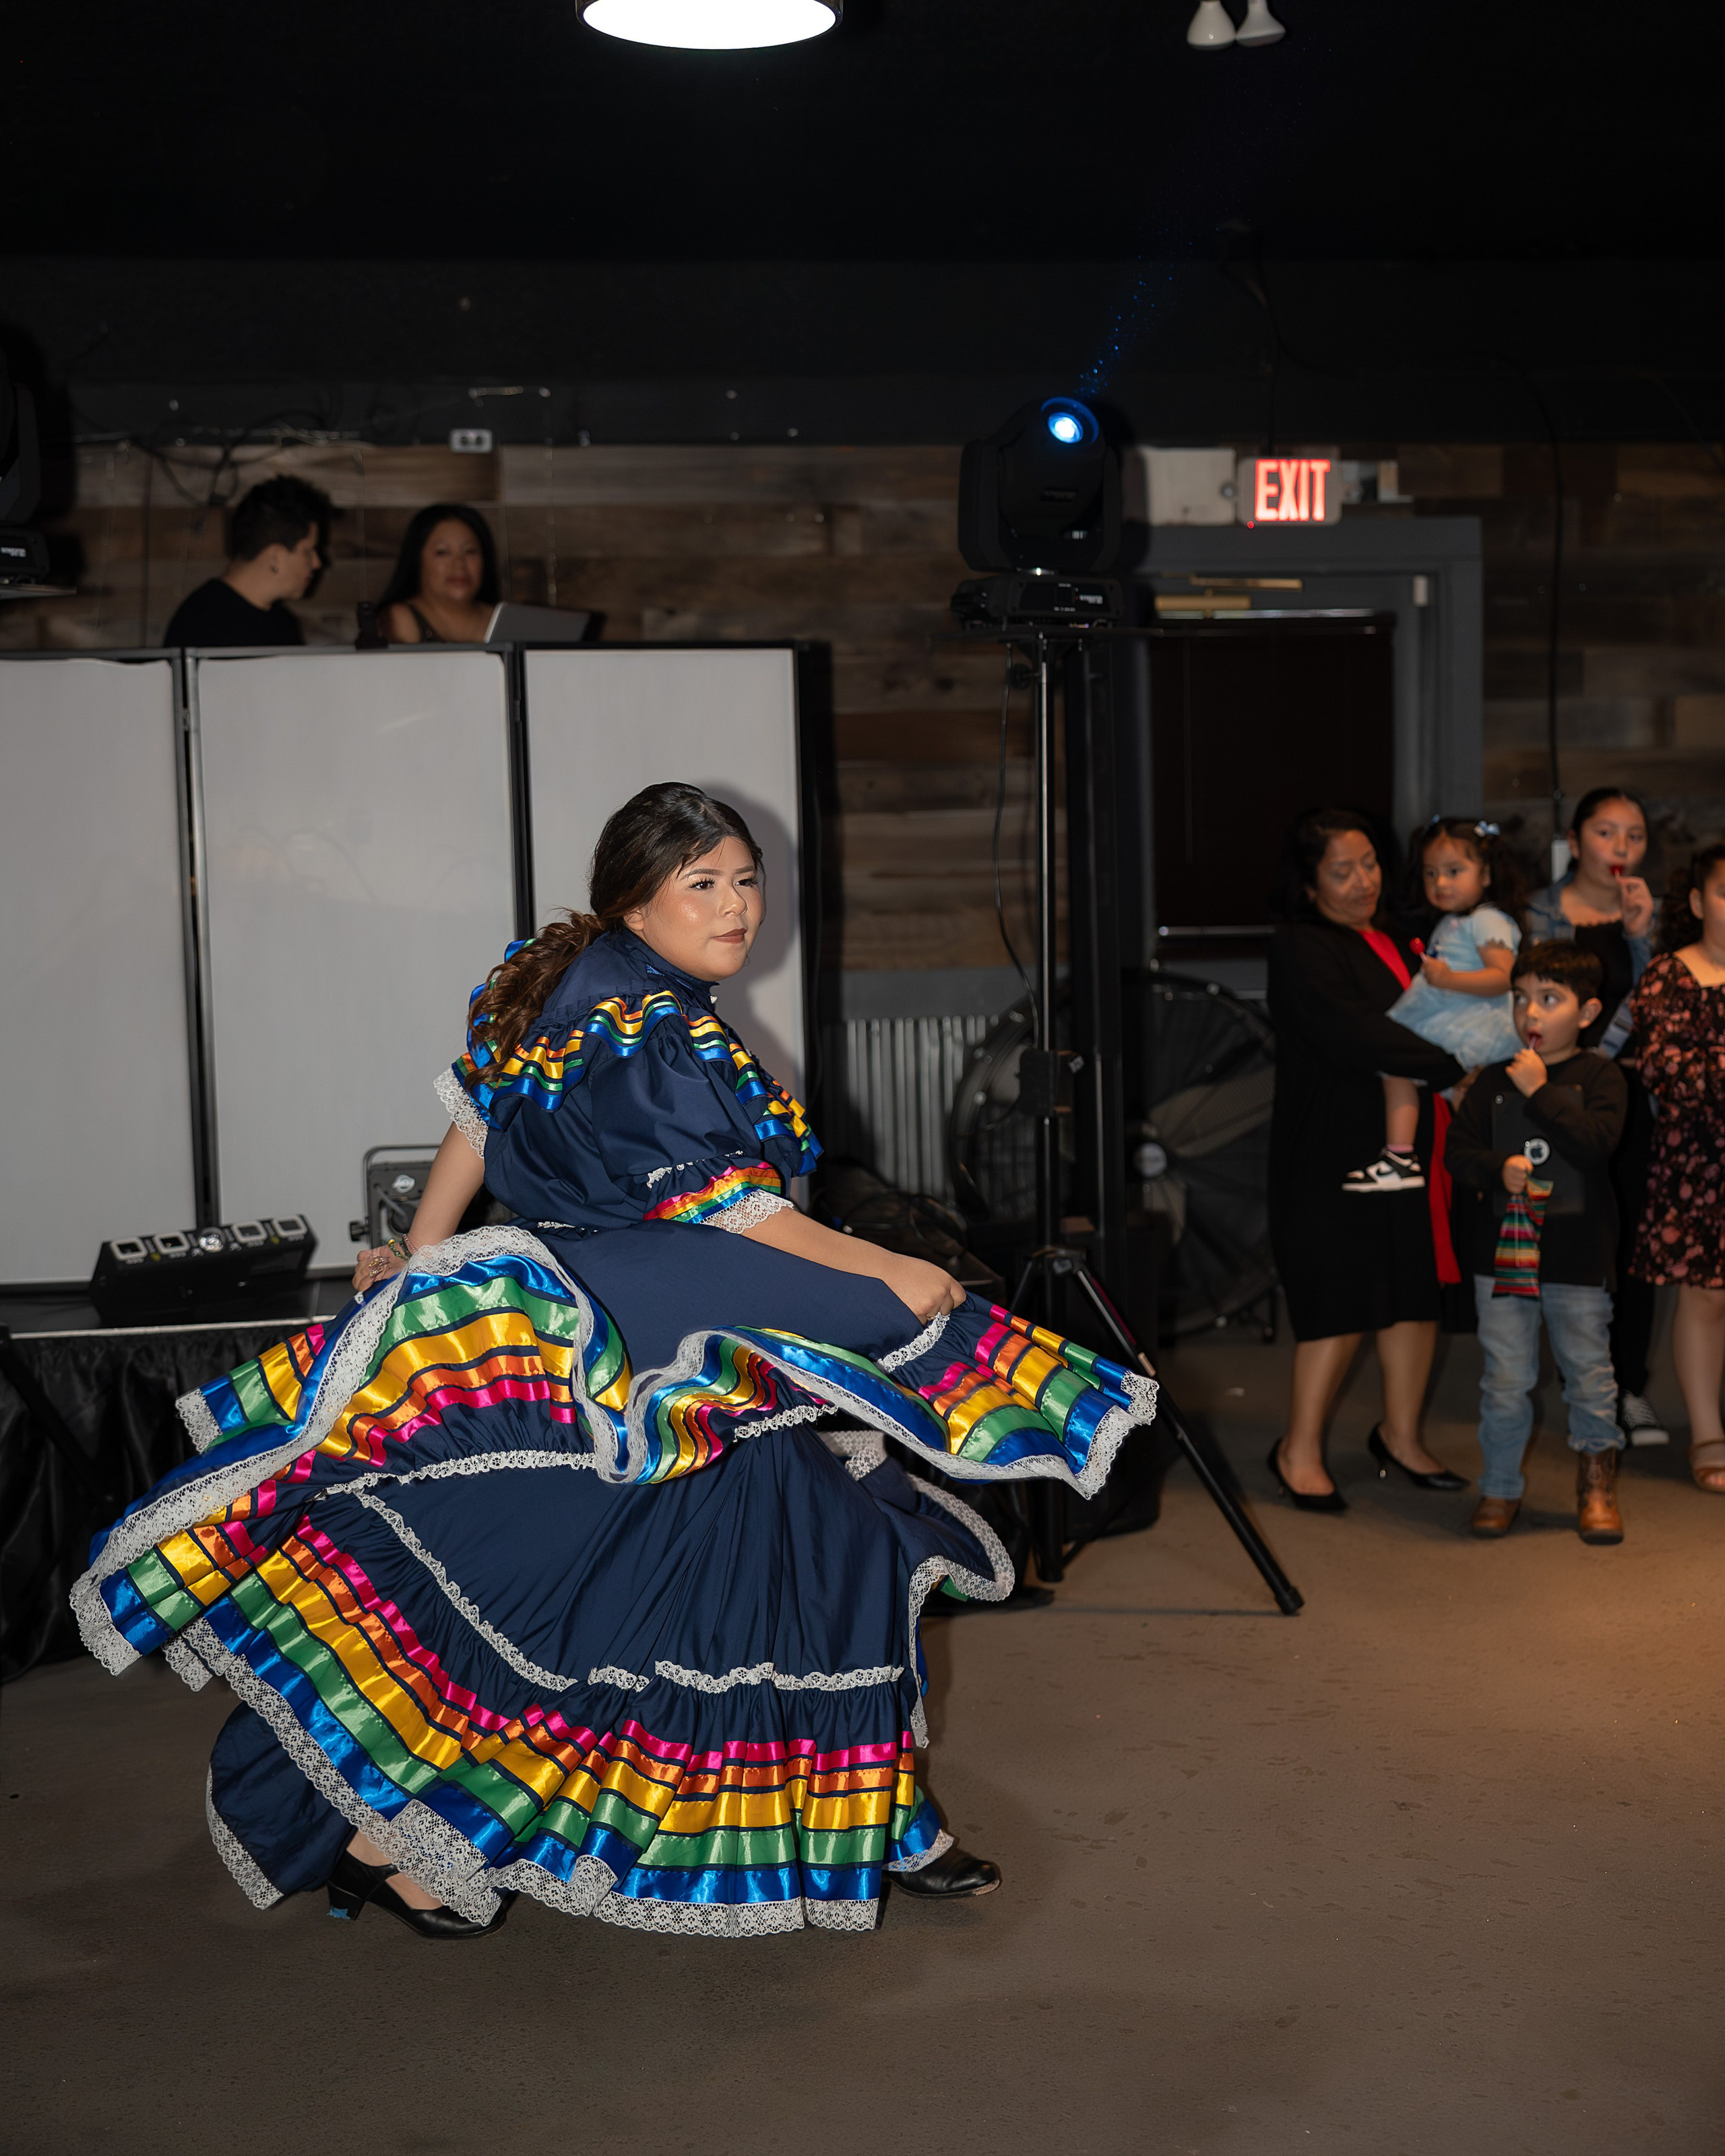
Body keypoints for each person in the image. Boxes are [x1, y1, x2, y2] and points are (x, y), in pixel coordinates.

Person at [71, 783, 1156, 1941]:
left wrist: (422, 1248)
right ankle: (405, 1845)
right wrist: (877, 1264)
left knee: (795, 1557)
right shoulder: (644, 1015)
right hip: (648, 1331)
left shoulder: (582, 981)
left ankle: (875, 1825)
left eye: (746, 880)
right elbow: (728, 1207)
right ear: (635, 904)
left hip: (639, 1325)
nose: (737, 905)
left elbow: (479, 1115)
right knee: (641, 1592)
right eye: (705, 884)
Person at [1265, 807, 1470, 1510]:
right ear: (1308, 881)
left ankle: (1402, 1435)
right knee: (1341, 1300)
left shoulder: (1403, 931)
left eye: (1370, 864)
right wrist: (1456, 1064)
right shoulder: (1300, 946)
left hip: (1410, 1146)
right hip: (1334, 1148)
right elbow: (1358, 1035)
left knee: (1414, 1293)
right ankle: (1297, 1450)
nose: (1362, 882)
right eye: (1341, 870)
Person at [1444, 943, 1629, 1542]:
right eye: (1521, 998)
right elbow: (1457, 1154)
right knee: (1505, 1378)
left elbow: (1594, 1143)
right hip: (1502, 1260)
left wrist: (1542, 1092)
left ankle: (1597, 1487)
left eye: (1550, 999)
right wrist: (1497, 1168)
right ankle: (1499, 1488)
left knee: (1590, 1376)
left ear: (1587, 1011)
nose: (1532, 1012)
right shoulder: (1493, 1080)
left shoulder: (1602, 1077)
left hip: (1577, 1260)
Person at [1524, 787, 1663, 1444]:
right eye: (1606, 832)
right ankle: (1571, 1380)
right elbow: (1520, 1002)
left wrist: (1641, 937)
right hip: (1557, 1096)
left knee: (1632, 1239)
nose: (1621, 847)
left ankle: (1627, 1384)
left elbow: (1660, 1010)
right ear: (1575, 841)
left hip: (1634, 1100)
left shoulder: (1653, 917)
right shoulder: (1537, 913)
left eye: (1633, 835)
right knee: (1563, 1239)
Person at [1344, 817, 1526, 1194]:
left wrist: (1448, 980)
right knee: (1440, 1088)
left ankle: (1402, 1155)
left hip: (1473, 1021)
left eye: (1454, 871)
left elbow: (1503, 977)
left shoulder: (1489, 920)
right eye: (1431, 873)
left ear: (1487, 874)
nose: (1440, 883)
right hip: (1452, 1016)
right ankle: (1477, 1166)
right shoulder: (1453, 922)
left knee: (1397, 1062)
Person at [1629, 843, 1725, 1496]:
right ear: (1697, 902)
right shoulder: (1668, 973)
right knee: (1705, 1295)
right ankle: (1705, 1430)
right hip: (1700, 1157)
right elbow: (1665, 1068)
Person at [162, 475, 331, 647]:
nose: (317, 563)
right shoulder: (203, 625)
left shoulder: (281, 623)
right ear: (276, 557)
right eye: (308, 552)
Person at [377, 503, 501, 644]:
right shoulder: (400, 619)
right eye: (443, 552)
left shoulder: (503, 619)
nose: (459, 565)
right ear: (418, 560)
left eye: (470, 551)